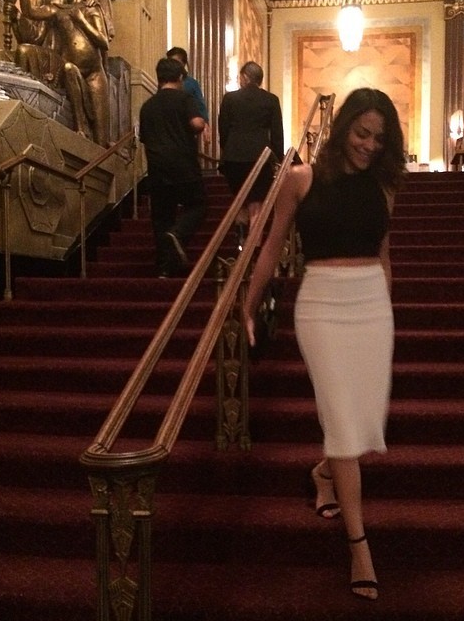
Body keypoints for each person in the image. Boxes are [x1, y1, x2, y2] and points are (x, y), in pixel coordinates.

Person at [243, 88, 405, 600]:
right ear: (342, 128)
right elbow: (271, 247)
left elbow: (384, 256)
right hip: (321, 307)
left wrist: (385, 311)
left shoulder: (382, 187)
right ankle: (359, 546)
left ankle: (323, 472)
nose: (369, 145)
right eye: (362, 133)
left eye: (379, 139)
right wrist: (246, 305)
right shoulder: (300, 179)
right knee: (342, 422)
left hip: (371, 305)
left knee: (364, 423)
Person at [18, 0, 112, 146]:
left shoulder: (91, 8)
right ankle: (80, 129)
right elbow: (29, 11)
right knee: (69, 69)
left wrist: (81, 20)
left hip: (94, 74)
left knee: (101, 140)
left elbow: (104, 42)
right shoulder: (57, 10)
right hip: (70, 67)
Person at [139, 57, 207, 278]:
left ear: (159, 78)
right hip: (183, 165)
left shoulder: (148, 106)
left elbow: (144, 138)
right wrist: (201, 124)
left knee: (161, 217)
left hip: (157, 168)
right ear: (180, 77)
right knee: (198, 205)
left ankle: (164, 268)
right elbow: (197, 124)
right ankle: (178, 233)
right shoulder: (185, 99)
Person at [218, 61, 284, 244]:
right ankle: (254, 246)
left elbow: (223, 129)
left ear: (245, 77)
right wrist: (278, 159)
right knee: (257, 202)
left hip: (234, 157)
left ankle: (240, 236)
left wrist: (227, 150)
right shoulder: (271, 100)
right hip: (260, 157)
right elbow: (277, 133)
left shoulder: (230, 99)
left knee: (239, 198)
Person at [166, 46, 210, 134]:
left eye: (176, 62)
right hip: (169, 125)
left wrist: (205, 124)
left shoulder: (192, 83)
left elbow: (200, 105)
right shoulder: (165, 83)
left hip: (187, 127)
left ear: (184, 64)